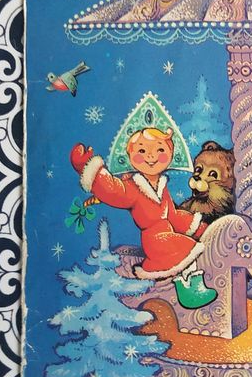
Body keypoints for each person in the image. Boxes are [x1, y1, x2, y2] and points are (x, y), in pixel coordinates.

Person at [70, 127, 217, 309]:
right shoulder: (133, 187)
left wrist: (196, 226)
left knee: (185, 245)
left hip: (167, 235)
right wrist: (87, 167)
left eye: (160, 149)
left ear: (170, 153)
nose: (151, 156)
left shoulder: (162, 186)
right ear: (130, 155)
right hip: (154, 240)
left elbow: (172, 215)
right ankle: (189, 293)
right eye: (141, 150)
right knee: (185, 246)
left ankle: (193, 288)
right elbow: (113, 189)